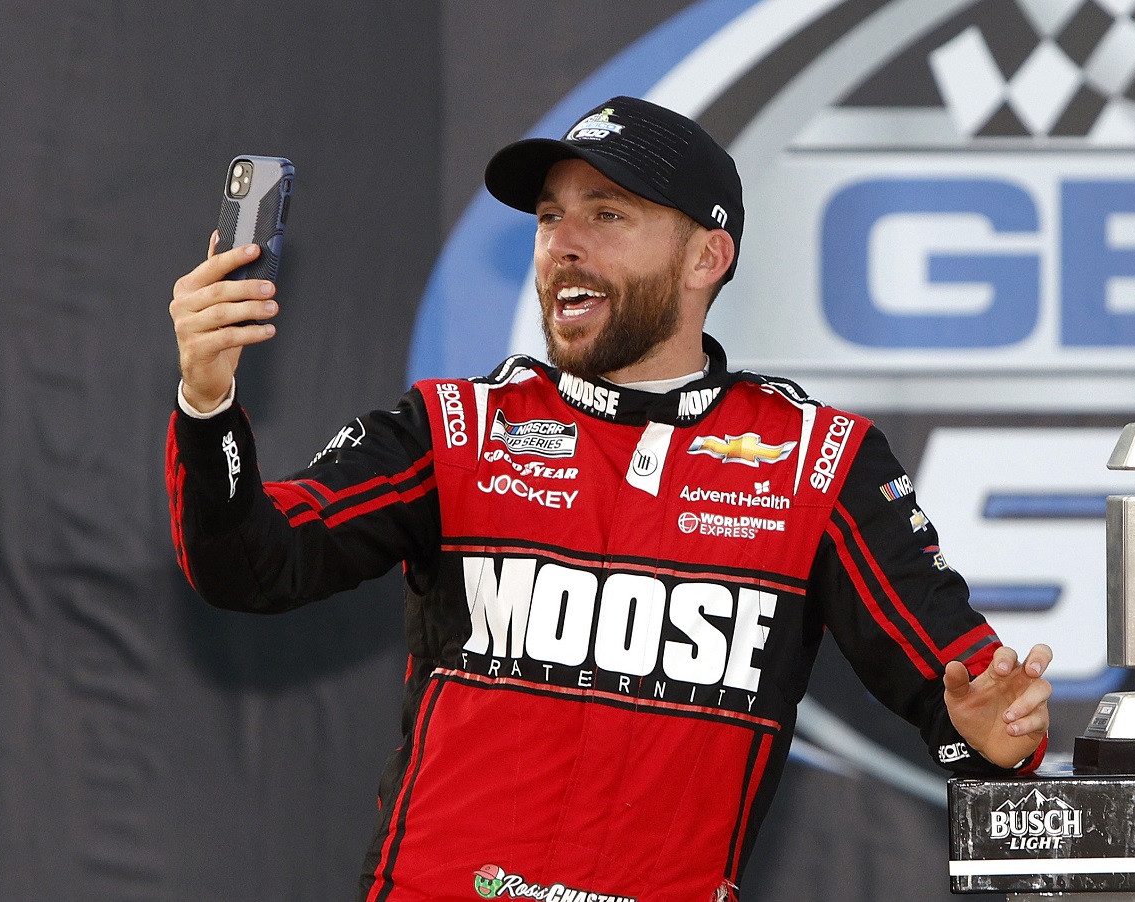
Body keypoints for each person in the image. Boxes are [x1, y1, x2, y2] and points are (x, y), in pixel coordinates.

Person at [167, 96, 1052, 902]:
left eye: (608, 214)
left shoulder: (818, 462)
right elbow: (252, 565)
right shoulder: (456, 429)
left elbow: (971, 704)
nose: (563, 244)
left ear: (708, 255)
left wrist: (997, 734)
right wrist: (207, 406)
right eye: (551, 216)